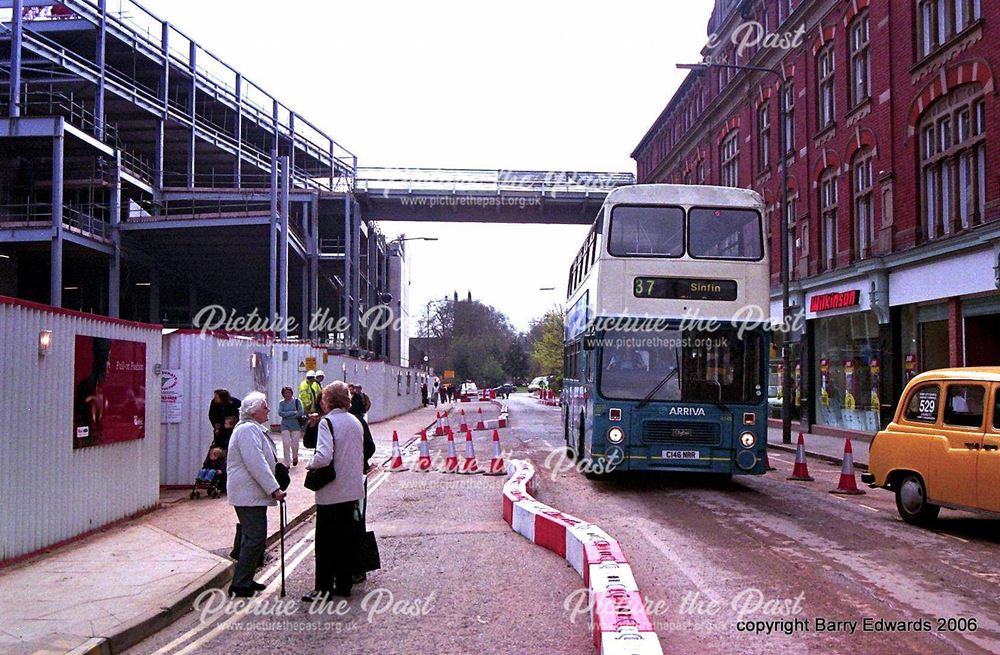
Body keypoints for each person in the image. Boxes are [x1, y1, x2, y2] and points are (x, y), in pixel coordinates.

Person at [302, 382, 364, 601]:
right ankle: (344, 585)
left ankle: (323, 589)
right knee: (345, 540)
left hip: (331, 491)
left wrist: (308, 464)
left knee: (326, 542)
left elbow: (323, 456)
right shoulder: (355, 421)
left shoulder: (327, 423)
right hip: (352, 489)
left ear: (327, 401)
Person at [226, 391, 286, 597]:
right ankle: (240, 584)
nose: (268, 410)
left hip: (250, 493)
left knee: (251, 537)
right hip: (247, 494)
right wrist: (274, 489)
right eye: (265, 407)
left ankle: (246, 579)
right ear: (254, 411)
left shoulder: (252, 429)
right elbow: (256, 463)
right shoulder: (248, 430)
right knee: (255, 537)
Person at [277, 386, 306, 467]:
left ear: (292, 393)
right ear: (283, 394)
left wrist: (288, 415)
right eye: (285, 393)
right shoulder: (281, 403)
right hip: (285, 425)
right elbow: (280, 413)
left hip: (296, 425)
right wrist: (293, 413)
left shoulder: (297, 401)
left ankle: (295, 457)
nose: (287, 394)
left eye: (289, 392)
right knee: (286, 443)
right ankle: (287, 463)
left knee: (295, 444)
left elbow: (300, 413)